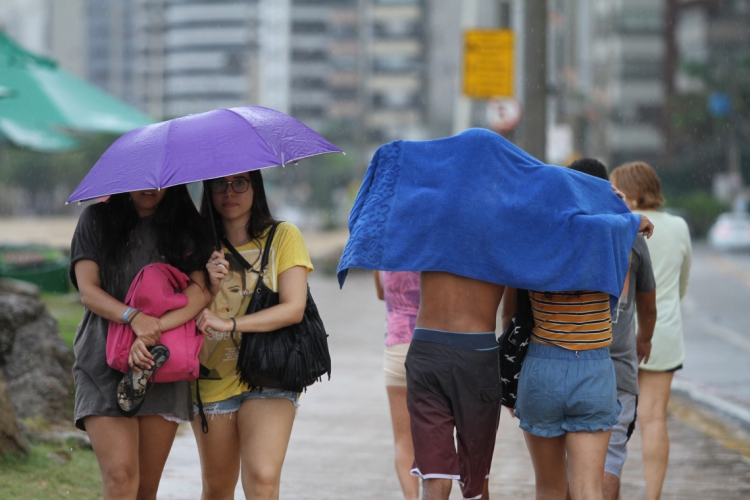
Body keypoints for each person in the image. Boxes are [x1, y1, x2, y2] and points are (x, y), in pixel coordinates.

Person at [337, 128, 654, 500]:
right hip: (493, 357)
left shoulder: (437, 219)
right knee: (485, 483)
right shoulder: (519, 228)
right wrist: (614, 205)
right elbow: (549, 187)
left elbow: (397, 184)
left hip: (430, 352)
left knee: (439, 480)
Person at [70, 186, 213, 500]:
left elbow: (199, 293)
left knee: (145, 489)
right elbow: (88, 291)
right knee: (121, 478)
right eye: (142, 178)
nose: (151, 186)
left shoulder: (186, 226)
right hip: (102, 361)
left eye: (160, 179)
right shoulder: (96, 219)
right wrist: (132, 316)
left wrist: (153, 328)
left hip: (162, 363)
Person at [192, 171, 313, 500]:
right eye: (219, 183)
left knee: (262, 479)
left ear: (255, 186)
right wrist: (209, 286)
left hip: (269, 372)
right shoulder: (195, 244)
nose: (229, 192)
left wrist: (231, 324)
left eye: (240, 182)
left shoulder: (283, 236)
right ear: (208, 188)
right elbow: (181, 309)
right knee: (217, 489)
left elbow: (293, 308)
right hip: (212, 377)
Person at [569, 159, 658, 500]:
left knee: (568, 467)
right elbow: (648, 305)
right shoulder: (631, 237)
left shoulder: (563, 233)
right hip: (618, 368)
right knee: (609, 460)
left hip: (569, 361)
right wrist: (644, 339)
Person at [610, 161, 691, 500]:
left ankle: (607, 485)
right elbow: (682, 283)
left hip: (623, 332)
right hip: (664, 333)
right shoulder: (678, 226)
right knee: (654, 419)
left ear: (629, 193)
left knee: (613, 421)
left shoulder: (619, 226)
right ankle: (652, 496)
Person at [374, 270, 421, 500]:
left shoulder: (383, 241)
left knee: (403, 441)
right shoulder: (434, 242)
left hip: (397, 343)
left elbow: (382, 293)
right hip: (432, 344)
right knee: (445, 435)